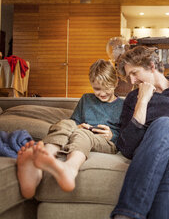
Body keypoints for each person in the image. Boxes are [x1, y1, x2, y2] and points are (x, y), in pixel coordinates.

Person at [111, 46, 169, 219]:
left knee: (165, 124)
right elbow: (127, 148)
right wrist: (143, 100)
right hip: (164, 156)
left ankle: (127, 214)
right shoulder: (133, 99)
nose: (131, 81)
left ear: (152, 66)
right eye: (128, 76)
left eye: (135, 73)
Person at [16, 59, 124, 198]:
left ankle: (70, 168)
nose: (102, 93)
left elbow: (126, 135)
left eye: (107, 88)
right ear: (91, 83)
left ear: (115, 83)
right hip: (82, 132)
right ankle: (44, 156)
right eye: (97, 88)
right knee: (65, 123)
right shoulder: (86, 99)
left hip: (106, 142)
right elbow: (74, 121)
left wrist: (112, 135)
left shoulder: (123, 105)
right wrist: (78, 125)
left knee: (82, 134)